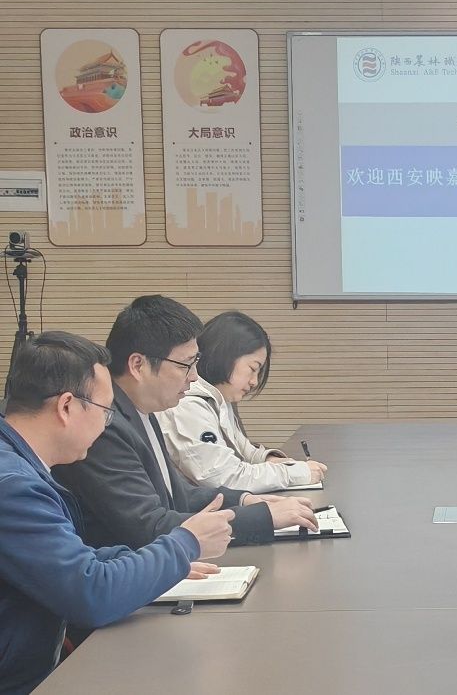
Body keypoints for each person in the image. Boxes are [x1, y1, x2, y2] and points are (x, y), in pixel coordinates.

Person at [0, 332, 235, 694]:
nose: (106, 424)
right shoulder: (14, 487)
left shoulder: (18, 465)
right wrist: (186, 543)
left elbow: (71, 560)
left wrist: (157, 563)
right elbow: (91, 594)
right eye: (106, 411)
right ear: (67, 407)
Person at [53, 295, 317, 550]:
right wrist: (263, 517)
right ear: (138, 365)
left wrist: (245, 500)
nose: (194, 377)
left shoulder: (143, 409)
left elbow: (178, 495)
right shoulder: (104, 424)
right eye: (185, 365)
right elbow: (150, 526)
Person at [157, 311, 327, 492]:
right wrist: (294, 473)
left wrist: (270, 460)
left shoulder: (218, 399)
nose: (254, 381)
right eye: (253, 369)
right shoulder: (189, 405)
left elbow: (244, 451)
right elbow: (223, 477)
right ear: (226, 355)